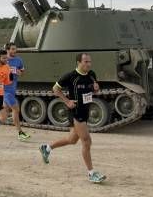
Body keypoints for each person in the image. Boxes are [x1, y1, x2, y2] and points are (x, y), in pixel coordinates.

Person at [38, 52, 106, 184]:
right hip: (76, 112)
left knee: (72, 139)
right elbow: (55, 89)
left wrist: (96, 89)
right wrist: (67, 101)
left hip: (86, 111)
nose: (88, 64)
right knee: (86, 141)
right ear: (78, 63)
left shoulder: (92, 74)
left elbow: (94, 90)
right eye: (86, 62)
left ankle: (46, 148)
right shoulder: (71, 76)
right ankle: (91, 173)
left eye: (89, 62)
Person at [4, 43, 30, 141]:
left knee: (4, 112)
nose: (15, 51)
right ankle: (20, 132)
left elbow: (22, 72)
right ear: (7, 50)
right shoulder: (3, 60)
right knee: (16, 109)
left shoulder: (19, 60)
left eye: (15, 49)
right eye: (13, 49)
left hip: (13, 88)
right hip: (5, 89)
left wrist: (19, 72)